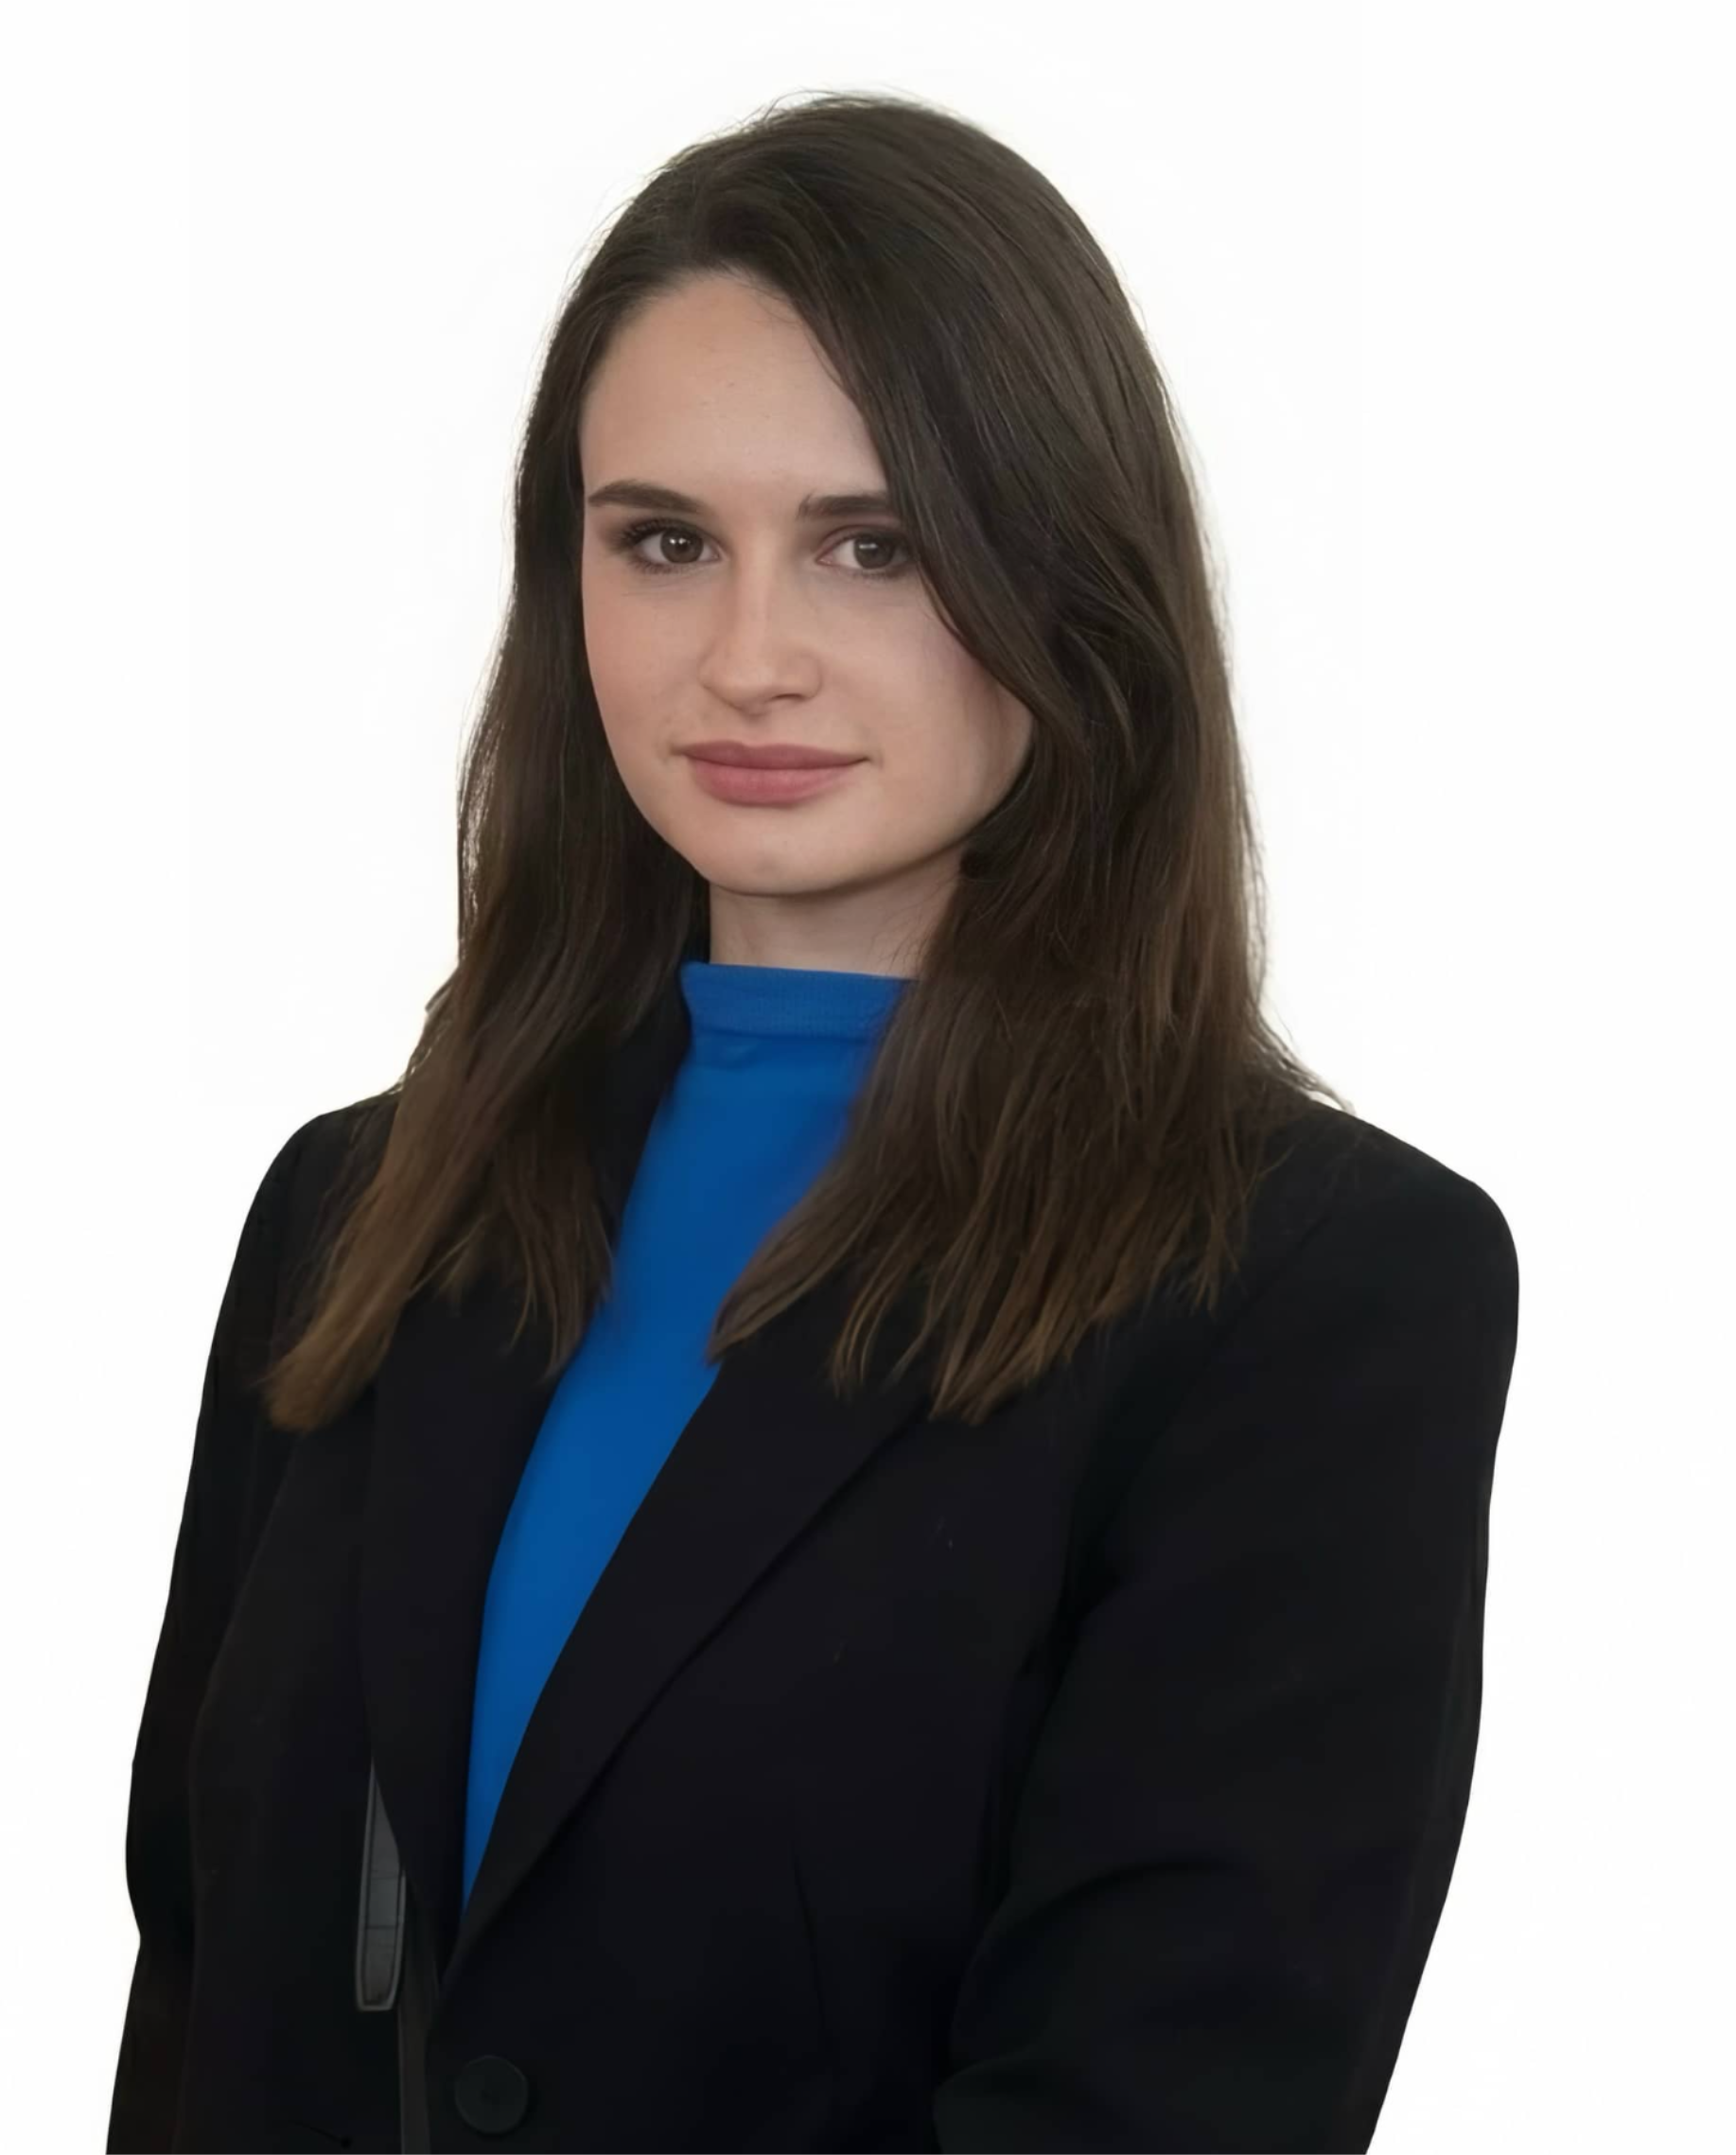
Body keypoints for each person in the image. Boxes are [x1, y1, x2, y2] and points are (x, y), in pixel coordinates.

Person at [106, 89, 1520, 2155]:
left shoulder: (1312, 1285)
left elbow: (1168, 2091)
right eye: (663, 541)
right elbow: (200, 1986)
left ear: (1066, 581)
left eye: (874, 546)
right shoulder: (353, 1208)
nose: (746, 657)